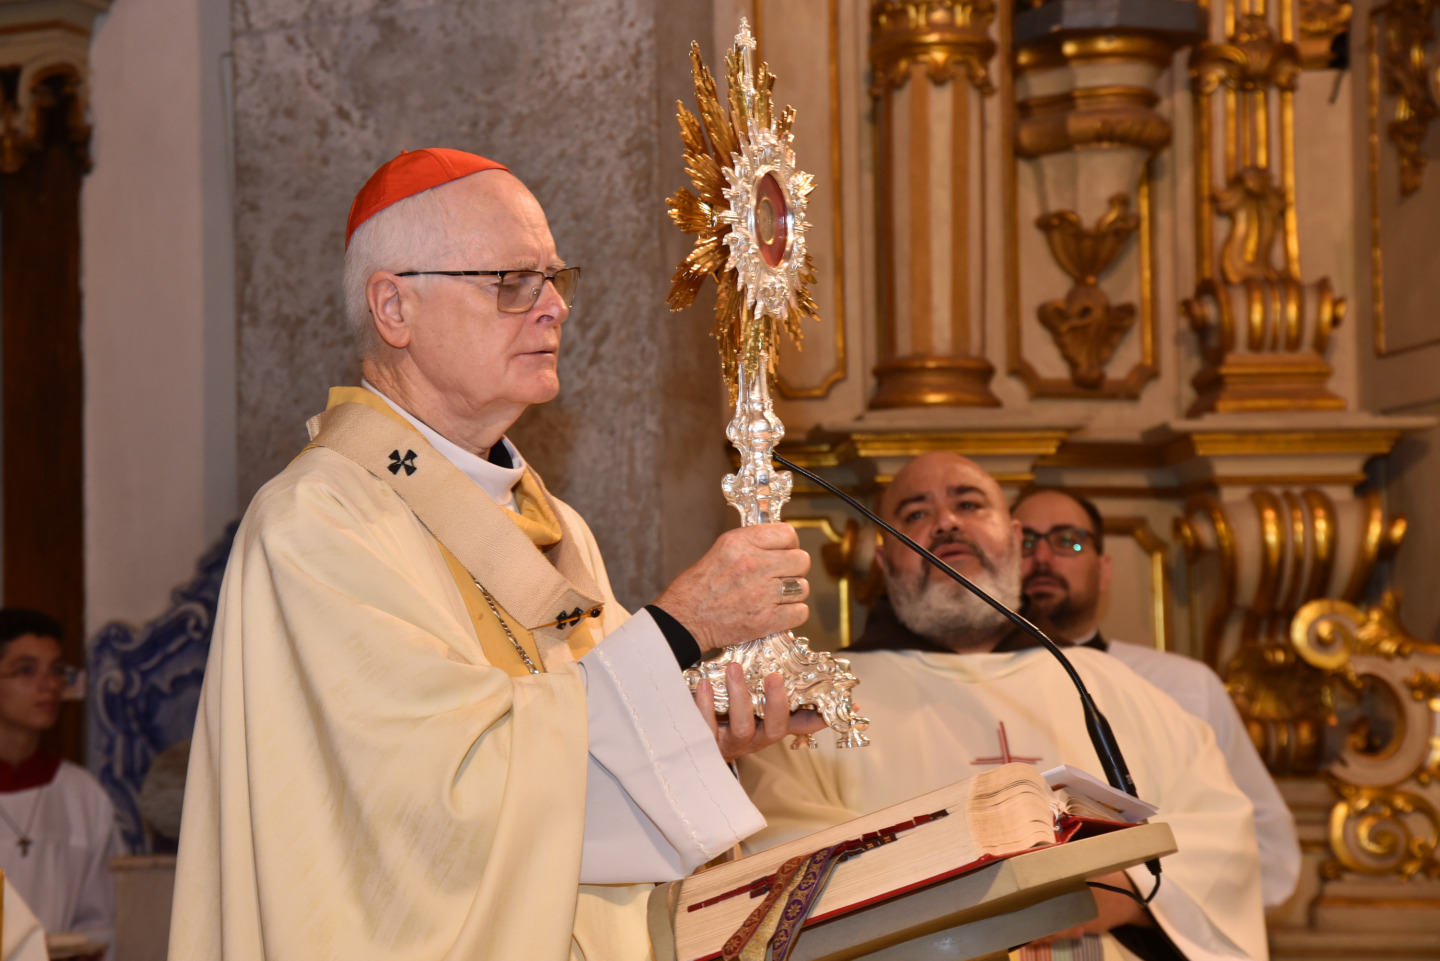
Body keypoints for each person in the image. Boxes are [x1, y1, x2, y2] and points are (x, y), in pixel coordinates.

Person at [169, 148, 825, 961]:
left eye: (553, 278)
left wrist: (694, 728)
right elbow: (430, 808)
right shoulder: (318, 522)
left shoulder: (552, 526)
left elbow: (568, 774)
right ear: (394, 307)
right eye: (512, 281)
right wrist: (679, 629)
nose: (555, 307)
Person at [737, 453, 1267, 961]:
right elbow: (778, 843)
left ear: (1014, 538)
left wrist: (1126, 886)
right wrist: (967, 886)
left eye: (969, 505)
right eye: (916, 513)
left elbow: (1221, 831)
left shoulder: (1107, 686)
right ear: (884, 558)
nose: (947, 523)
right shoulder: (813, 699)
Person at [1013, 487, 1301, 909]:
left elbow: (1267, 851)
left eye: (1068, 541)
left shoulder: (1183, 685)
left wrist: (1139, 903)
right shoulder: (968, 690)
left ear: (1104, 570)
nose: (1042, 557)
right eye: (1025, 542)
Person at [0, 610, 123, 950]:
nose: (51, 685)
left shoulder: (82, 795)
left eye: (57, 670)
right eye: (27, 670)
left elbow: (105, 919)